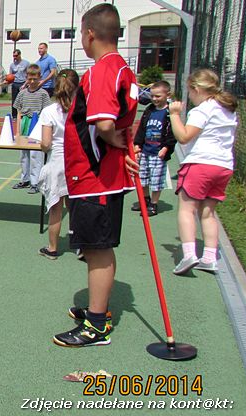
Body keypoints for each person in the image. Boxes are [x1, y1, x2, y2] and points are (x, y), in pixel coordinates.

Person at [54, 3, 138, 348]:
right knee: (95, 245)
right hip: (97, 176)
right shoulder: (121, 68)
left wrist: (109, 137)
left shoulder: (104, 70)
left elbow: (104, 122)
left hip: (96, 178)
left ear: (89, 34)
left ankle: (97, 324)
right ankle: (95, 309)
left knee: (97, 248)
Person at [168, 69, 238, 275]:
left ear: (196, 89)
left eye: (190, 92)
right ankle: (209, 257)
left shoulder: (203, 110)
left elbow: (184, 136)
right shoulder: (227, 109)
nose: (189, 96)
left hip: (201, 163)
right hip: (223, 166)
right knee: (208, 213)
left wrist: (174, 115)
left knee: (186, 209)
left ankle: (189, 254)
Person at [37, 69, 80, 260]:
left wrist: (41, 145)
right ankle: (82, 247)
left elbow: (46, 143)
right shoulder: (81, 109)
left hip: (58, 160)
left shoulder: (49, 111)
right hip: (78, 161)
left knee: (56, 206)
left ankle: (53, 247)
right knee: (76, 206)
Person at [131, 80, 176, 217]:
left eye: (158, 96)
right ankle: (145, 200)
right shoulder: (149, 110)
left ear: (167, 95)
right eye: (153, 96)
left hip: (158, 152)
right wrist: (137, 144)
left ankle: (154, 204)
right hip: (145, 150)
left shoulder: (169, 112)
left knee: (156, 180)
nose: (155, 99)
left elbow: (173, 132)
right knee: (142, 177)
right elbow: (142, 128)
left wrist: (167, 147)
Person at [12, 64, 51, 194]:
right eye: (30, 79)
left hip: (37, 125)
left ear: (40, 78)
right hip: (25, 123)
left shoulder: (43, 94)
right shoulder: (22, 93)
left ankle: (36, 182)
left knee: (36, 155)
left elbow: (46, 113)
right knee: (24, 154)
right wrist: (17, 131)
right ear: (26, 78)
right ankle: (25, 179)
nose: (32, 82)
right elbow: (18, 112)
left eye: (35, 79)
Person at [9, 49, 30, 120]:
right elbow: (10, 75)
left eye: (16, 55)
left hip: (23, 83)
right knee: (14, 100)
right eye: (13, 56)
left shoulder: (26, 63)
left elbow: (28, 75)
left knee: (24, 100)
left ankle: (24, 114)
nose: (14, 57)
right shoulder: (12, 65)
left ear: (20, 55)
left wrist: (26, 84)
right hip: (15, 83)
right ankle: (14, 116)